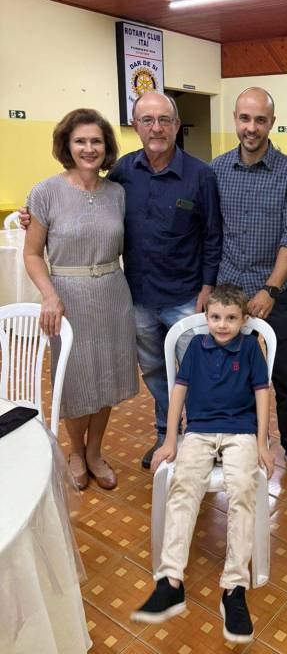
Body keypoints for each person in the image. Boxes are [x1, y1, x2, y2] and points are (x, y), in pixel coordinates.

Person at [131, 284, 274, 644]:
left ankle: (234, 589)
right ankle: (171, 581)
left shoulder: (251, 349)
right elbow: (178, 391)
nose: (222, 325)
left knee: (243, 492)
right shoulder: (196, 347)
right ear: (206, 317)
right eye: (215, 317)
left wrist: (262, 442)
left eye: (231, 318)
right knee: (183, 487)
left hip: (241, 433)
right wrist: (170, 439)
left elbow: (262, 394)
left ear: (244, 320)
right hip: (198, 431)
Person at [23, 108, 139, 490]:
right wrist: (49, 296)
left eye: (96, 141)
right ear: (67, 145)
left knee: (106, 377)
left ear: (106, 147)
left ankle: (95, 452)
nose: (89, 148)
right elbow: (32, 253)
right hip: (67, 299)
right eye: (80, 141)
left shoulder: (117, 193)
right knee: (74, 379)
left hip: (113, 294)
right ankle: (75, 451)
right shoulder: (45, 192)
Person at [108, 92, 222, 468]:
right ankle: (167, 434)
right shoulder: (122, 171)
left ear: (176, 125)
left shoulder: (200, 175)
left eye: (164, 120)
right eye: (147, 120)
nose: (156, 128)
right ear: (135, 126)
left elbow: (213, 235)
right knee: (156, 372)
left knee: (197, 372)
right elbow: (91, 204)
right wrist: (35, 216)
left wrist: (206, 288)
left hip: (186, 297)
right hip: (139, 297)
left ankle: (202, 441)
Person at [210, 87, 287, 487]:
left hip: (274, 293)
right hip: (227, 296)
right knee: (226, 374)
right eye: (244, 118)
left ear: (271, 122)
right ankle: (230, 443)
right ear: (235, 120)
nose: (251, 127)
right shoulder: (217, 170)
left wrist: (270, 289)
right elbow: (207, 232)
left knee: (286, 374)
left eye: (259, 120)